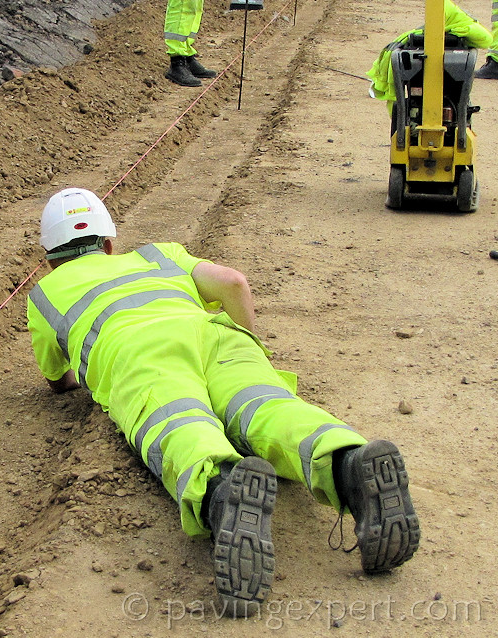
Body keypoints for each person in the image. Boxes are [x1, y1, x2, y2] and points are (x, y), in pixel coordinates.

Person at [26, 188, 420, 617]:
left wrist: (81, 368)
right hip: (216, 334)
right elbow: (233, 282)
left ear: (50, 260)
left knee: (179, 424)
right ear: (109, 243)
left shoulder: (44, 295)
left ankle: (223, 488)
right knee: (267, 406)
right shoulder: (159, 254)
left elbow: (58, 379)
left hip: (137, 355)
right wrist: (251, 351)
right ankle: (347, 462)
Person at [367, 0, 493, 105]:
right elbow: (486, 39)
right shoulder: (453, 21)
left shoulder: (462, 25)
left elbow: (486, 39)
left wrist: (453, 31)